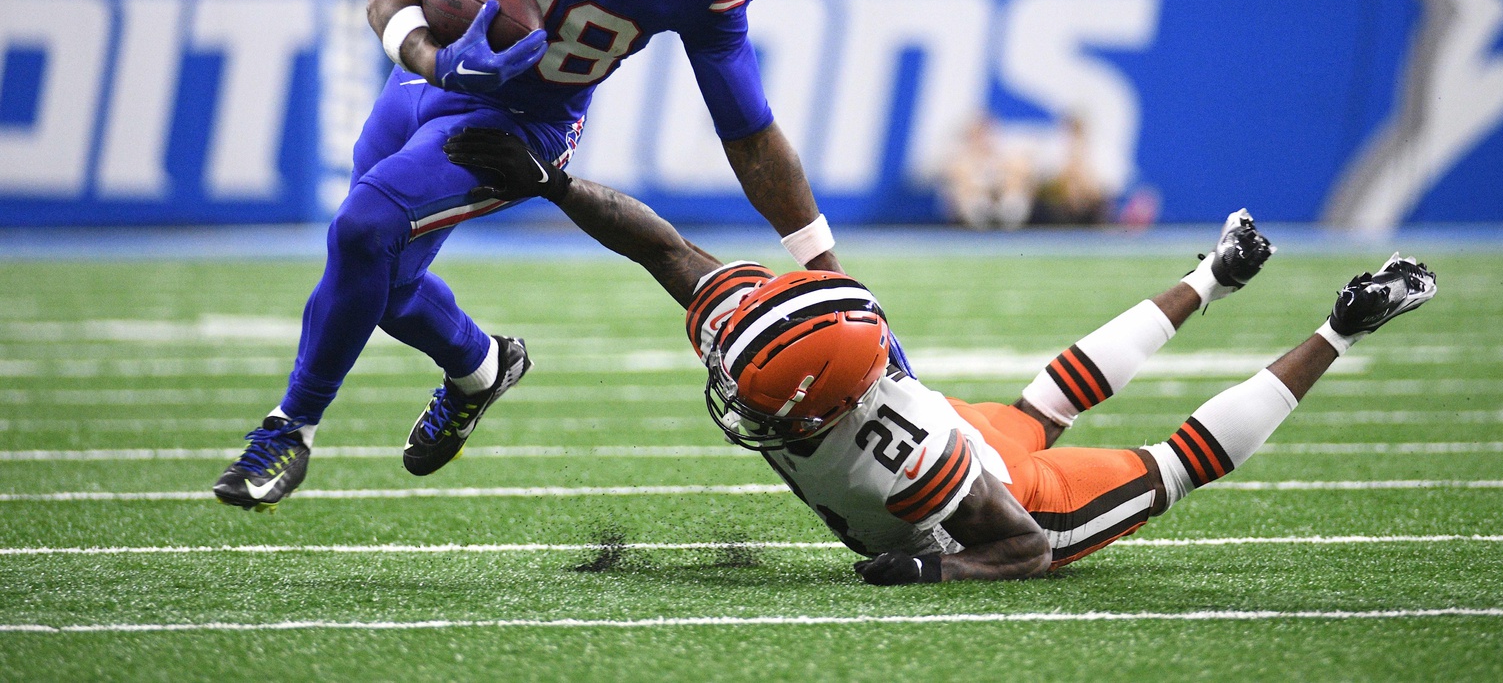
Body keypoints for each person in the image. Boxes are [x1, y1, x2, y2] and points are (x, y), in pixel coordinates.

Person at [214, 0, 853, 510]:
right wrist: (436, 61)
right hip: (431, 84)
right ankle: (482, 365)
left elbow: (749, 131)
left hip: (522, 124)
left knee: (362, 228)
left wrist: (823, 267)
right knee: (380, 279)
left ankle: (289, 429)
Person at [442, 130, 1438, 583]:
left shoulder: (907, 456)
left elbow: (1023, 547)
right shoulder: (775, 343)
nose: (733, 396)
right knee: (1047, 397)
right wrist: (553, 183)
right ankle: (1211, 277)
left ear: (814, 407)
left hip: (1007, 494)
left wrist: (926, 574)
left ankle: (1342, 324)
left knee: (1170, 466)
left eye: (756, 395)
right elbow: (658, 243)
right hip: (948, 427)